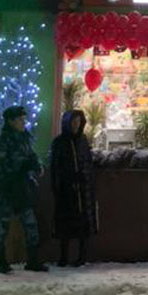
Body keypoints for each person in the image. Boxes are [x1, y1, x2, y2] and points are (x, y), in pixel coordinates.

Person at [0, 105, 47, 274]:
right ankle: (0, 261)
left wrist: (36, 165)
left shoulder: (24, 138)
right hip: (6, 190)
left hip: (21, 189)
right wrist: (20, 167)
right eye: (20, 119)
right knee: (3, 227)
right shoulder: (3, 141)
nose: (23, 122)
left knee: (30, 224)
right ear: (10, 121)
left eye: (23, 119)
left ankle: (33, 259)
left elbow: (31, 155)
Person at [49, 109, 98, 267]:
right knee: (65, 223)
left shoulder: (82, 141)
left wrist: (85, 178)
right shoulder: (59, 143)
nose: (76, 125)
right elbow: (56, 167)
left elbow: (88, 163)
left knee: (83, 223)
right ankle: (63, 256)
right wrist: (61, 184)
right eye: (73, 122)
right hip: (66, 190)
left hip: (83, 190)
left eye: (78, 122)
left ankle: (81, 256)